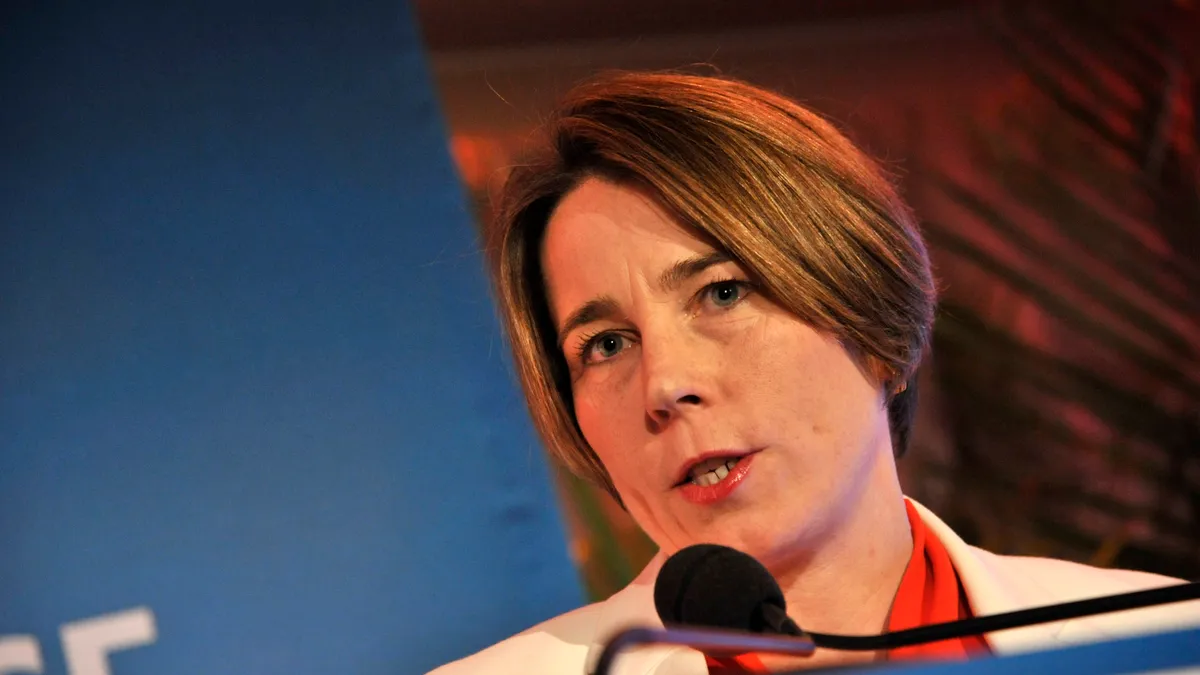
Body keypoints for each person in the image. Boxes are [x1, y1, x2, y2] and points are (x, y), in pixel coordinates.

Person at [430, 71, 1198, 674]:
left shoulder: (1162, 642)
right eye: (604, 344)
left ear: (872, 323)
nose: (664, 384)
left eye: (723, 292)